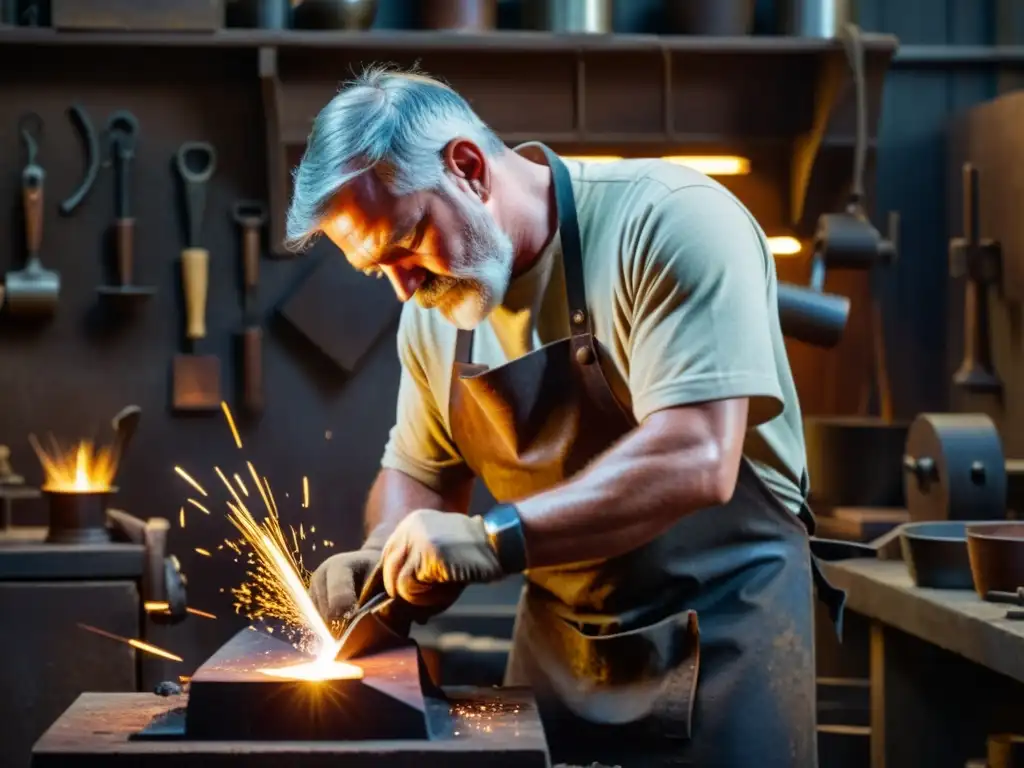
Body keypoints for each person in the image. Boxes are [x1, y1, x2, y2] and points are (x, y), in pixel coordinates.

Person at [287, 66, 838, 768]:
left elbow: (696, 456)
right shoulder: (432, 317)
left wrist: (493, 540)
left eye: (407, 242)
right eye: (378, 269)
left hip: (725, 639)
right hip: (558, 660)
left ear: (467, 168)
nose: (403, 286)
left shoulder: (670, 221)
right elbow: (419, 469)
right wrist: (386, 554)